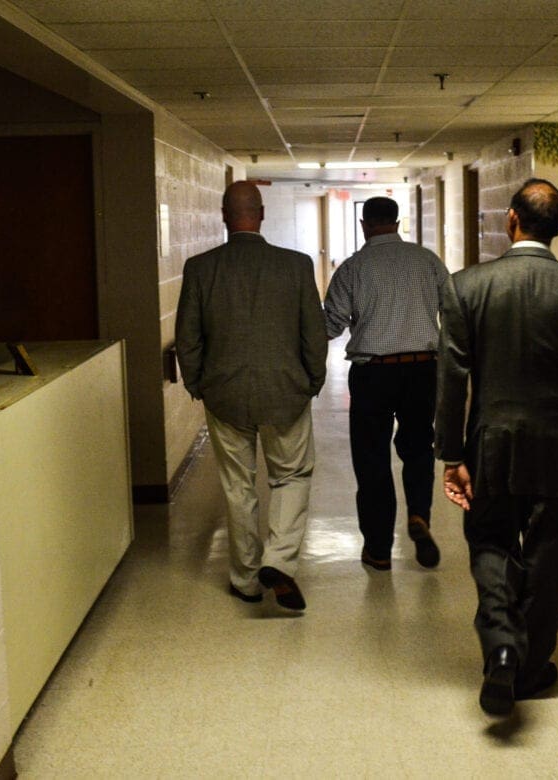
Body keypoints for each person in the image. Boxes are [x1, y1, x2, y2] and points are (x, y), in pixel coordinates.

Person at [435, 178, 558, 716]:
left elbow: (452, 378)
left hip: (490, 442)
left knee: (490, 543)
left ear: (511, 219)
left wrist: (451, 455)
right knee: (549, 558)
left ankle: (503, 647)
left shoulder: (466, 286)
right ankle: (530, 669)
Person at [175, 181, 327, 612]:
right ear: (261, 214)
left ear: (224, 216)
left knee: (238, 486)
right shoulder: (295, 266)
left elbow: (188, 338)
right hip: (286, 392)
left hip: (225, 394)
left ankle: (244, 579)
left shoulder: (200, 268)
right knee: (291, 476)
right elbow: (313, 334)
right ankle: (278, 560)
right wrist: (312, 381)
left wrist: (198, 384)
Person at [324, 197, 449, 572]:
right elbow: (454, 313)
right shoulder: (428, 261)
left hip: (373, 373)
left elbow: (331, 324)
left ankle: (378, 549)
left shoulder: (352, 268)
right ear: (397, 222)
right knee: (418, 446)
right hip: (422, 368)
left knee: (372, 458)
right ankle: (419, 516)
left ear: (365, 224)